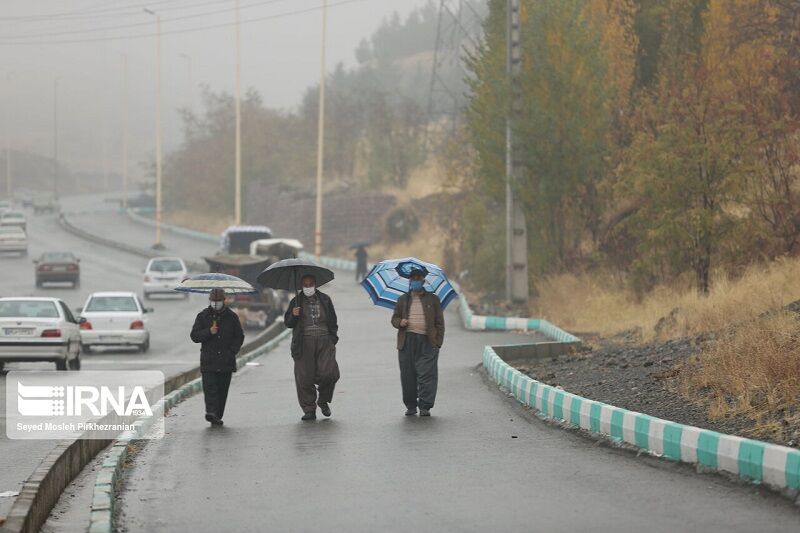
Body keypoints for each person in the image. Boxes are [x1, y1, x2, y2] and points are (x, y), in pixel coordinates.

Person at [284, 274, 340, 421]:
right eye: (305, 285)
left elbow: (333, 321)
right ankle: (309, 409)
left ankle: (323, 400)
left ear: (315, 284)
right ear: (301, 286)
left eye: (311, 284)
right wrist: (294, 315)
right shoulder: (295, 301)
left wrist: (332, 339)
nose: (308, 287)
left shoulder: (325, 299)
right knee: (304, 377)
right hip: (304, 343)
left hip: (324, 341)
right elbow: (288, 323)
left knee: (330, 373)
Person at [391, 268, 445, 417]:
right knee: (408, 375)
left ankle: (425, 406)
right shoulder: (403, 299)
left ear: (423, 281)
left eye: (418, 279)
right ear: (410, 281)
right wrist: (399, 322)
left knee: (427, 374)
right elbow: (394, 319)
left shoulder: (433, 299)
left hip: (427, 342)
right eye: (413, 279)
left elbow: (440, 323)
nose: (415, 281)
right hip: (407, 341)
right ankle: (411, 405)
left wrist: (437, 342)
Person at [190, 288, 245, 426]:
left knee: (222, 390)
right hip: (209, 361)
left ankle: (217, 415)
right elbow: (194, 336)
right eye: (213, 301)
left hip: (226, 361)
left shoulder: (232, 317)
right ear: (209, 300)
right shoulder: (203, 316)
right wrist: (209, 332)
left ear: (224, 300)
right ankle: (211, 412)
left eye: (218, 301)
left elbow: (239, 336)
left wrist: (232, 351)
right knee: (210, 389)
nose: (215, 303)